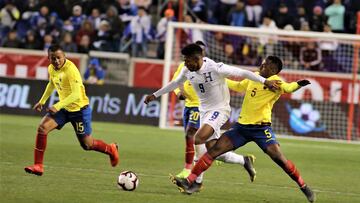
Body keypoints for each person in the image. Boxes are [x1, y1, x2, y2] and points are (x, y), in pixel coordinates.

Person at [172, 56, 316, 203]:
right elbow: (237, 86)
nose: (261, 66)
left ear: (273, 70)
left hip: (261, 129)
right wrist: (215, 78)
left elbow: (288, 87)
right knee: (213, 151)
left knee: (280, 159)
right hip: (241, 128)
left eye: (264, 65)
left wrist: (298, 84)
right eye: (262, 64)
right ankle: (190, 181)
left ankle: (304, 186)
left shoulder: (276, 82)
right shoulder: (254, 78)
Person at [144, 43, 280, 193]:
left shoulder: (216, 67)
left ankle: (195, 181)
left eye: (189, 61)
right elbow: (175, 83)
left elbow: (243, 73)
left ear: (198, 59)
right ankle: (244, 160)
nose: (186, 64)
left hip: (220, 110)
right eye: (185, 61)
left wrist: (265, 81)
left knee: (197, 138)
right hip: (204, 112)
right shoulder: (187, 69)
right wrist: (154, 95)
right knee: (213, 150)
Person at [24, 45, 119, 176]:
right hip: (64, 109)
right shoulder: (51, 68)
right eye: (53, 58)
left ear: (64, 57)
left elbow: (76, 95)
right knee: (42, 128)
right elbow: (52, 83)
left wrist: (57, 105)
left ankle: (111, 149)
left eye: (59, 58)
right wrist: (42, 101)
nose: (56, 61)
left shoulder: (71, 70)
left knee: (87, 145)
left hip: (79, 110)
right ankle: (38, 166)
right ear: (48, 58)